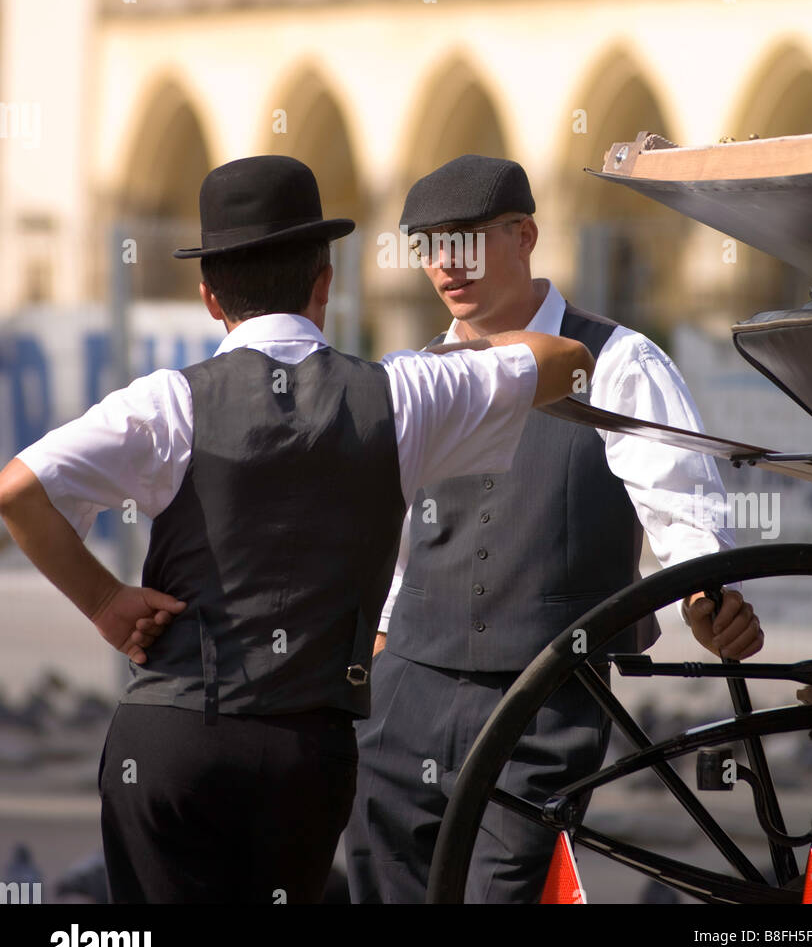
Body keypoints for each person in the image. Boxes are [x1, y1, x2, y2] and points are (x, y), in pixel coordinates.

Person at [0, 154, 597, 905]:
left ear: (210, 298)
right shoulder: (405, 395)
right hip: (304, 749)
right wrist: (467, 368)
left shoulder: (164, 404)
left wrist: (104, 601)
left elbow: (19, 491)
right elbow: (567, 361)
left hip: (172, 734)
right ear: (325, 283)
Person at [345, 153, 764, 905]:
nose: (446, 264)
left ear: (524, 236)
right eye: (428, 245)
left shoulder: (616, 359)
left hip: (545, 692)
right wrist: (380, 642)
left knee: (499, 893)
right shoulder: (420, 372)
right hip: (408, 686)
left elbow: (680, 506)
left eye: (466, 241)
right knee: (386, 889)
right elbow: (394, 533)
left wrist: (708, 596)